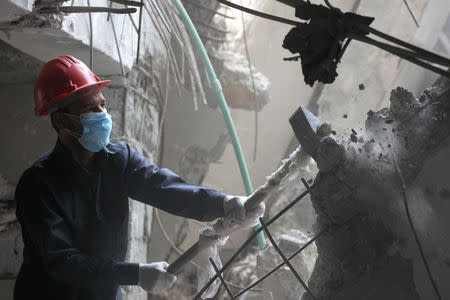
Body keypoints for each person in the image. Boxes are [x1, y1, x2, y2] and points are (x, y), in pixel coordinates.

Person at [14, 55, 261, 300]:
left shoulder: (118, 160)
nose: (103, 114)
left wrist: (224, 203)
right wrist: (135, 274)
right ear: (61, 120)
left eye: (103, 105)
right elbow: (63, 262)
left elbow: (166, 189)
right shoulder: (37, 185)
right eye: (91, 109)